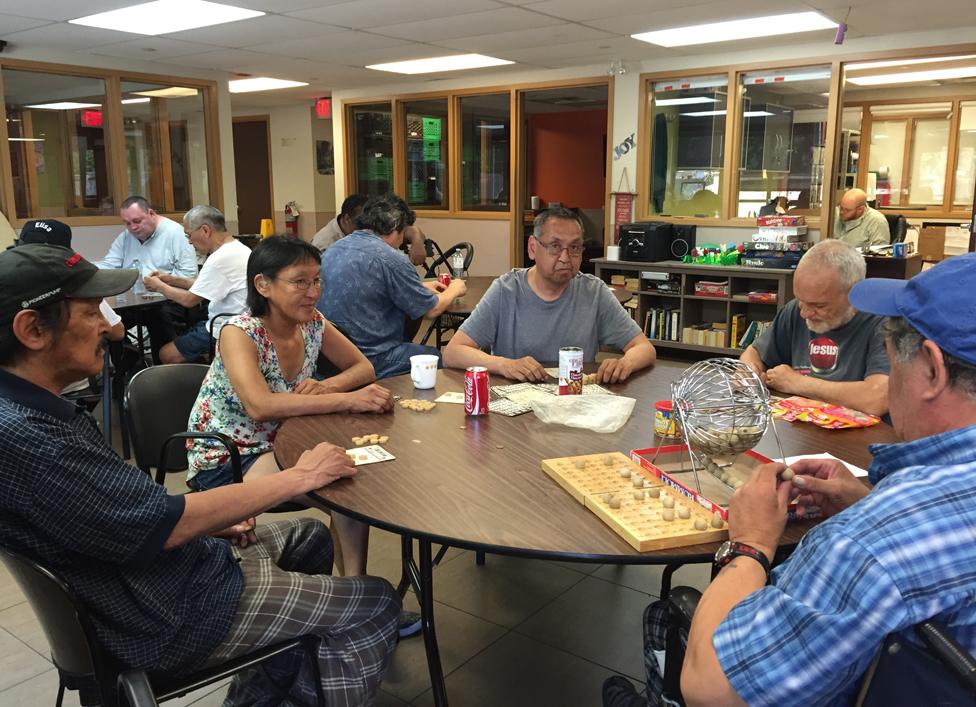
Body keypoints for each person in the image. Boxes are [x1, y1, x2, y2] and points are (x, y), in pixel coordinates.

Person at [0, 244, 400, 706]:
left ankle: (257, 696)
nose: (109, 327)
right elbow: (164, 524)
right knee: (373, 604)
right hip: (170, 614)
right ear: (32, 330)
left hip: (164, 575)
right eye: (91, 314)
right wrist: (301, 476)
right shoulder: (31, 438)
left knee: (311, 536)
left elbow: (132, 515)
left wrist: (208, 521)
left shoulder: (35, 411)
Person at [605, 252, 976, 707]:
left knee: (676, 618)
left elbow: (711, 687)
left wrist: (750, 545)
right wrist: (865, 499)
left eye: (896, 353)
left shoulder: (868, 546)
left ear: (933, 371)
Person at [443, 206, 656, 383]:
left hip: (574, 402)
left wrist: (623, 364)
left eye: (574, 248)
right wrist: (505, 365)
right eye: (555, 246)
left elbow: (644, 348)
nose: (565, 257)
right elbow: (453, 352)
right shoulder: (506, 290)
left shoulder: (593, 292)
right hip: (514, 410)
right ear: (533, 248)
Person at [318, 194, 466, 379]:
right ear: (397, 229)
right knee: (437, 358)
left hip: (327, 358)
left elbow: (370, 286)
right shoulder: (391, 259)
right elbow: (432, 309)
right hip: (372, 357)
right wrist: (455, 288)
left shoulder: (334, 248)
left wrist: (419, 287)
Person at [740, 239, 889, 417]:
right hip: (803, 429)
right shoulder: (796, 310)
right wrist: (748, 372)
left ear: (854, 293)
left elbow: (877, 398)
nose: (804, 313)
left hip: (861, 437)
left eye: (819, 306)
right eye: (800, 300)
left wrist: (798, 383)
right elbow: (753, 353)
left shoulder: (885, 322)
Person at [16, 219, 126, 392]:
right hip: (76, 384)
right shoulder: (79, 285)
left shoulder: (8, 286)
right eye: (91, 313)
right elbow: (118, 332)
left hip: (18, 388)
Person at [97, 195, 199, 361]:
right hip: (135, 300)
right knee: (107, 318)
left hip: (170, 300)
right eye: (127, 223)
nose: (133, 227)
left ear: (151, 213)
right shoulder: (126, 237)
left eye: (137, 221)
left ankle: (162, 368)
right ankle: (126, 360)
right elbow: (109, 266)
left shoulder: (175, 233)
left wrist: (162, 281)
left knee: (157, 315)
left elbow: (189, 277)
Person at [143, 205, 250, 364]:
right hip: (238, 322)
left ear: (205, 230)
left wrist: (158, 286)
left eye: (189, 235)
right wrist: (170, 279)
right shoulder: (238, 248)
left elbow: (190, 300)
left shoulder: (220, 258)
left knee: (166, 354)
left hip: (224, 328)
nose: (189, 241)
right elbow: (204, 285)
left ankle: (201, 377)